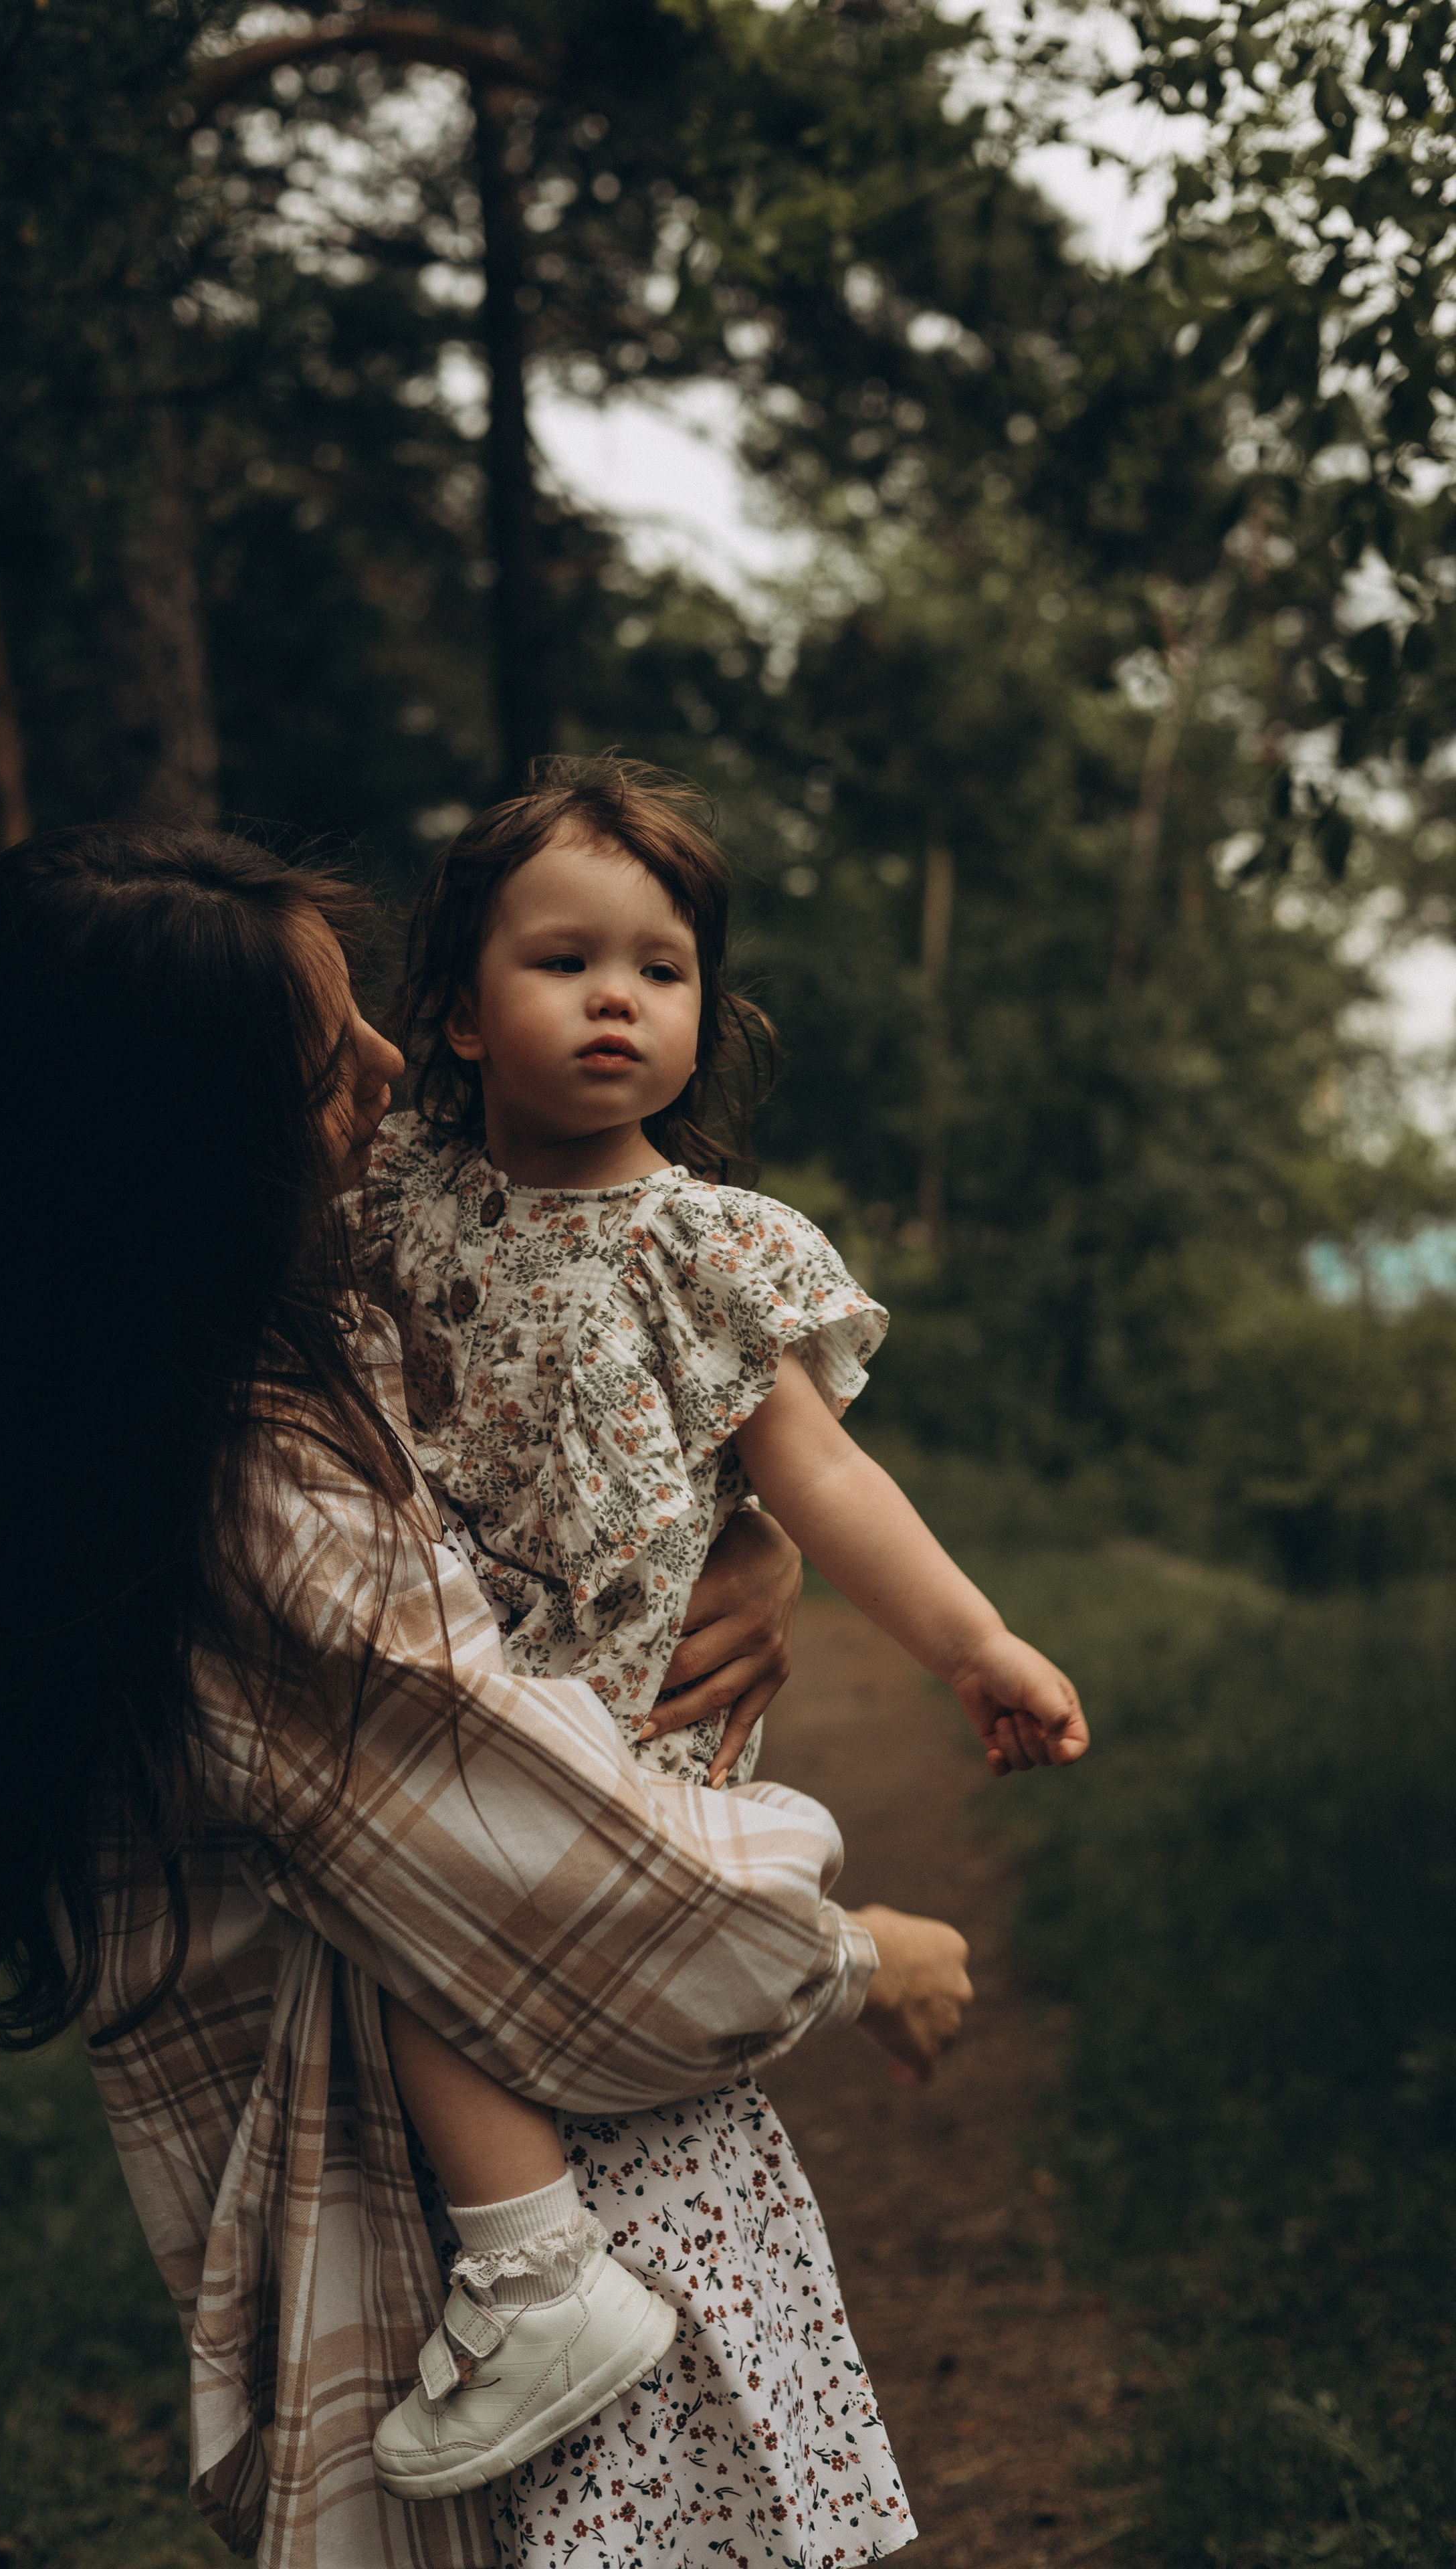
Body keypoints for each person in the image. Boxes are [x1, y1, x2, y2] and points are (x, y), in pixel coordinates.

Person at [0, 821, 975, 2569]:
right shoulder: (245, 1490)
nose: (389, 1061)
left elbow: (560, 1477)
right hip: (465, 2228)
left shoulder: (167, 1411)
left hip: (460, 2214)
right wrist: (849, 1947)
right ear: (182, 1157)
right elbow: (549, 1866)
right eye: (324, 1061)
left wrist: (754, 1533)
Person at [354, 759, 1089, 2520]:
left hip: (636, 1753)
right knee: (418, 1951)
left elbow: (824, 1478)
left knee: (587, 2048)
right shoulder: (395, 1211)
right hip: (456, 1735)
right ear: (455, 1012)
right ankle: (533, 2282)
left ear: (709, 1011)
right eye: (562, 961)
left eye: (660, 968)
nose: (616, 996)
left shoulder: (718, 1251)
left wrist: (975, 1646)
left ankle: (585, 2333)